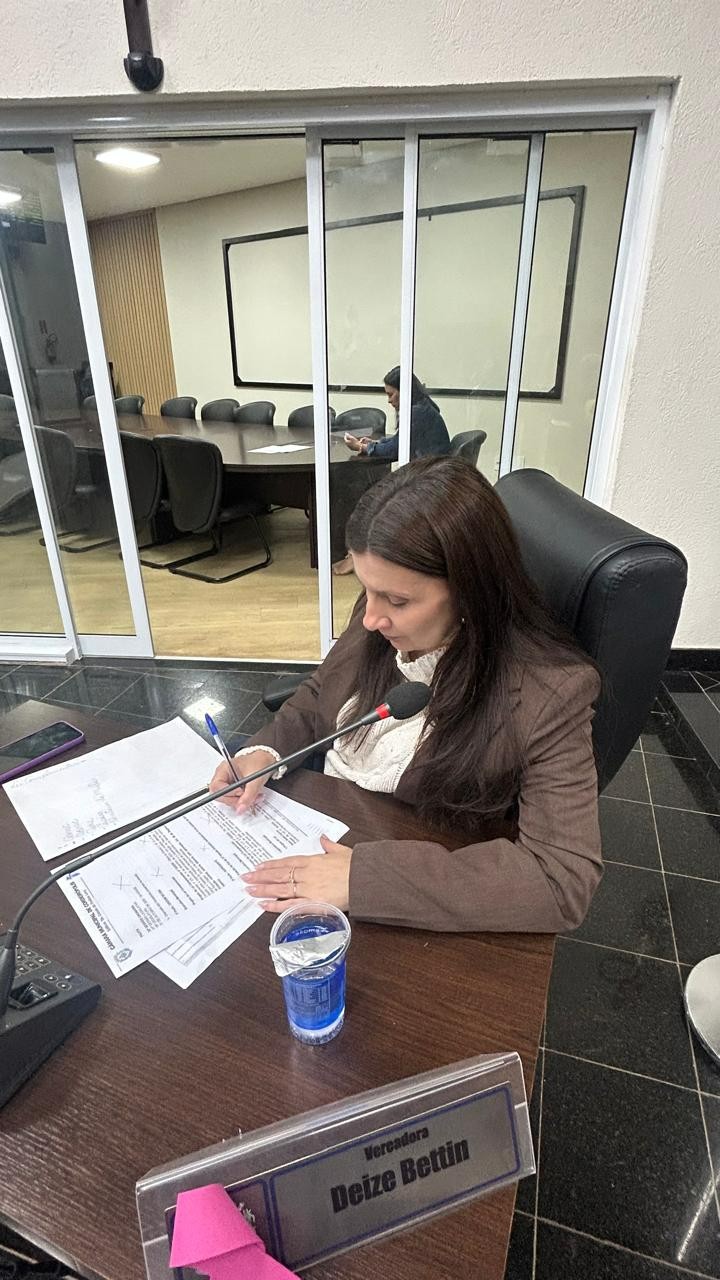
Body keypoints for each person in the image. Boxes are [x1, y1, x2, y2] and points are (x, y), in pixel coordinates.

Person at [209, 456, 602, 934]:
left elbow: (561, 881)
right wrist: (264, 753)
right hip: (322, 822)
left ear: (470, 591)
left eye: (397, 601)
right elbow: (320, 693)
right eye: (366, 589)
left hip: (409, 871)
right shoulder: (383, 602)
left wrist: (362, 879)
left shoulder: (551, 694)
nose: (371, 618)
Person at [333, 366, 451, 575]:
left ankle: (359, 555)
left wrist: (363, 447)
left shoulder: (417, 413)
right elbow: (399, 441)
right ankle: (358, 552)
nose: (389, 400)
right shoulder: (422, 407)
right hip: (430, 473)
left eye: (391, 394)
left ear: (404, 392)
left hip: (427, 479)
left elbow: (396, 449)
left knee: (371, 497)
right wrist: (373, 444)